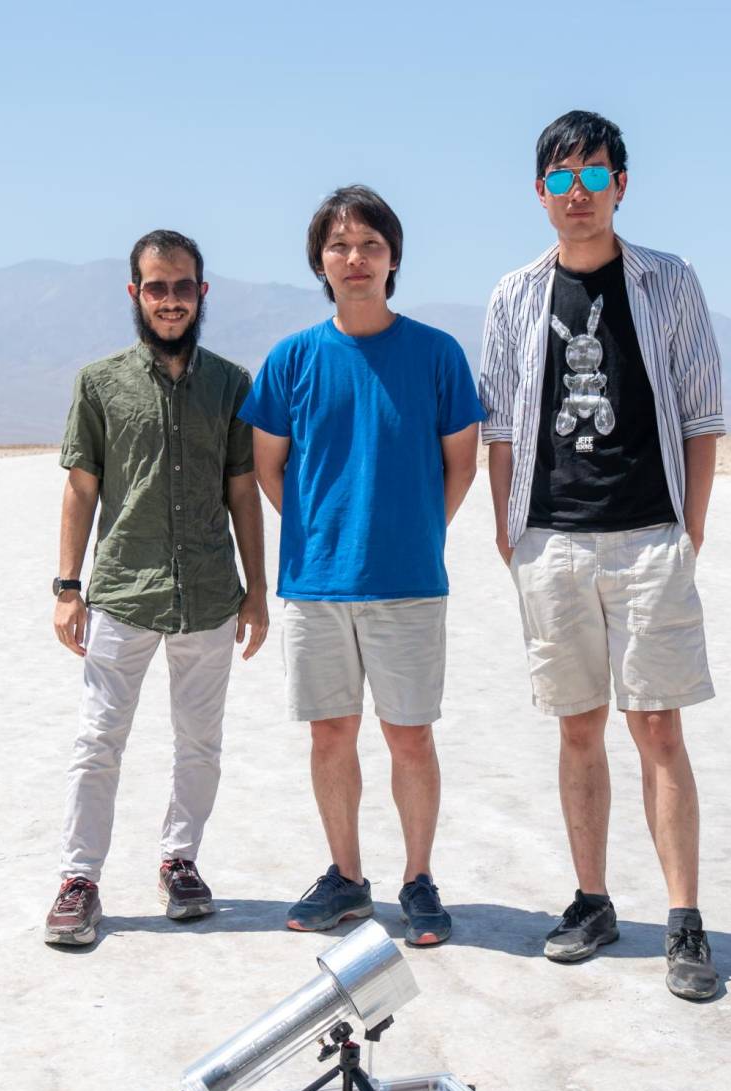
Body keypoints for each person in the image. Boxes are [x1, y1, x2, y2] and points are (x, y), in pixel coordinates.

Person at [479, 111, 725, 999]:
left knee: (657, 725)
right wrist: (512, 534)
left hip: (649, 534)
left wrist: (688, 526)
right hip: (552, 542)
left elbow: (700, 414)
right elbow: (501, 422)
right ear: (539, 193)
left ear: (621, 184)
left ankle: (685, 922)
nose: (574, 193)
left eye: (591, 175)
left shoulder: (668, 281)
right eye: (557, 179)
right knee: (578, 725)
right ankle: (591, 900)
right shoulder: (514, 295)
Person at [243, 185, 483, 946]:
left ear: (393, 260)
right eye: (341, 246)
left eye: (371, 246)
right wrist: (326, 537)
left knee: (409, 735)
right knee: (330, 735)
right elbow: (270, 469)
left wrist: (411, 534)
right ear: (320, 260)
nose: (356, 258)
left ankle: (419, 879)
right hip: (317, 586)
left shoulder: (437, 354)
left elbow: (461, 465)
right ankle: (346, 879)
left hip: (409, 583)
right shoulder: (292, 360)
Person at [43, 229, 268, 946]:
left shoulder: (232, 385)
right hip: (121, 592)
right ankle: (79, 880)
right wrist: (67, 586)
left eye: (182, 287)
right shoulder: (100, 383)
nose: (170, 301)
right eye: (156, 287)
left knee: (199, 743)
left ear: (203, 294)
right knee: (97, 740)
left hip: (206, 592)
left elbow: (243, 493)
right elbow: (82, 488)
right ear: (135, 294)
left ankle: (181, 863)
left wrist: (256, 589)